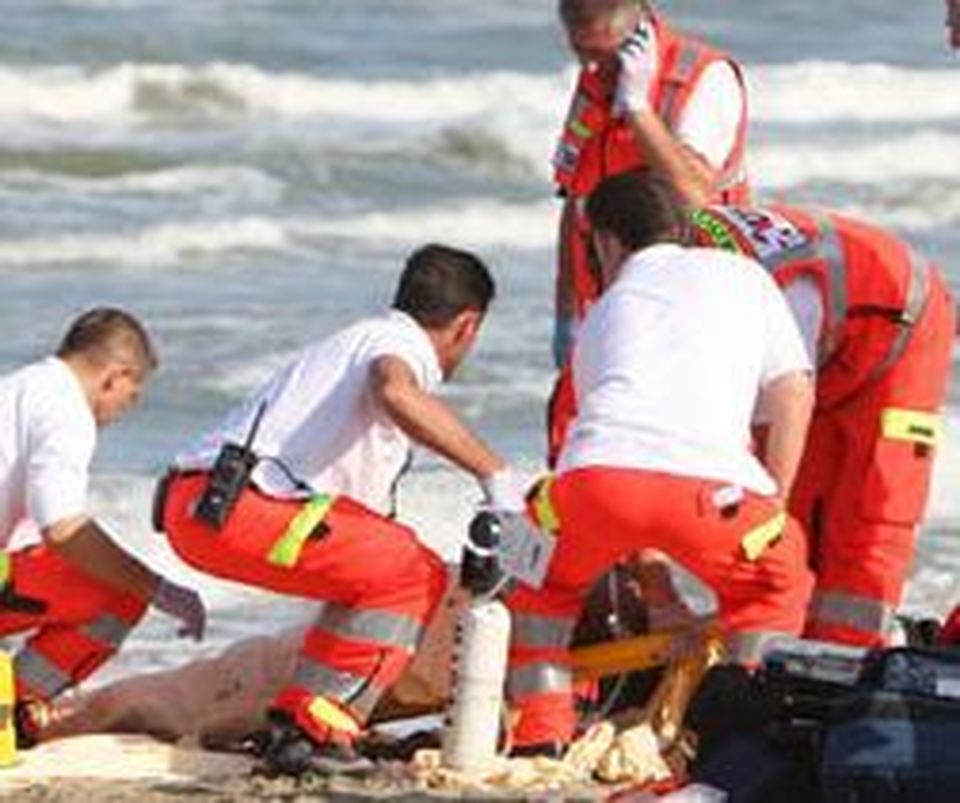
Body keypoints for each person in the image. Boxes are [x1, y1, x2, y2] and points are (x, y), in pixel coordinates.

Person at [155, 244, 525, 775]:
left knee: (376, 569)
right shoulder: (399, 344)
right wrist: (495, 474)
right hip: (236, 504)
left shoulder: (352, 343)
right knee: (410, 571)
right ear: (468, 325)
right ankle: (320, 726)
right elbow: (394, 389)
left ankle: (301, 729)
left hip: (198, 504)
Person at [504, 169, 814, 756]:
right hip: (714, 496)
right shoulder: (745, 275)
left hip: (590, 487)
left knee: (535, 585)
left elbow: (623, 461)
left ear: (609, 241)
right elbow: (793, 394)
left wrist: (660, 591)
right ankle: (741, 735)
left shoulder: (605, 310)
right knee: (775, 584)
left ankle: (538, 738)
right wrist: (774, 503)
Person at [688, 204, 955, 647]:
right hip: (832, 347)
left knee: (870, 515)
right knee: (804, 515)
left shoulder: (768, 299)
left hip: (904, 332)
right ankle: (787, 646)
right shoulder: (673, 273)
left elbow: (774, 423)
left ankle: (845, 663)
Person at [0, 308, 206, 744]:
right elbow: (62, 527)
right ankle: (17, 704)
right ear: (115, 376)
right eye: (132, 396)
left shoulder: (20, 388)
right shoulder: (67, 410)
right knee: (117, 593)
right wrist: (158, 589)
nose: (123, 412)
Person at [552, 0, 750, 370]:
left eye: (599, 53)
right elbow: (574, 199)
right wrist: (566, 314)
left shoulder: (704, 80)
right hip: (607, 313)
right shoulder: (595, 81)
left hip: (687, 314)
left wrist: (638, 109)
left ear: (637, 32)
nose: (589, 67)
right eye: (579, 51)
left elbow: (695, 196)